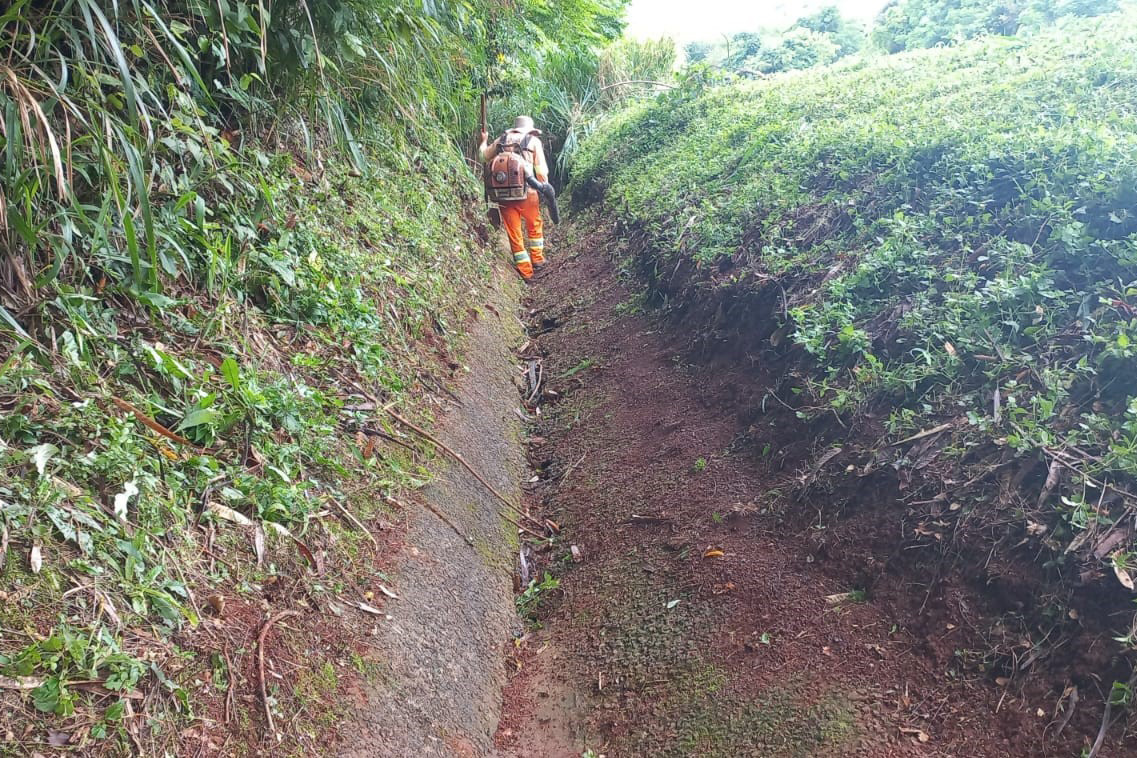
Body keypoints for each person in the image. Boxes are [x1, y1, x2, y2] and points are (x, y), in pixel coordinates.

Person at [479, 115, 548, 280]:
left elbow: (483, 156)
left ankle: (525, 271)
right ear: (530, 129)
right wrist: (544, 188)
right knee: (534, 224)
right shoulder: (533, 141)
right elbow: (541, 171)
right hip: (528, 193)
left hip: (503, 195)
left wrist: (483, 140)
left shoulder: (501, 140)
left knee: (514, 233)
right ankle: (537, 259)